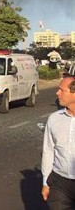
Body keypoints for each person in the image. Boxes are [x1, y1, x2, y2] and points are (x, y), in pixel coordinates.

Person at [41, 75, 75, 208]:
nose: (57, 93)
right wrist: (45, 182)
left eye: (62, 90)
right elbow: (48, 150)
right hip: (59, 183)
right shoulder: (54, 119)